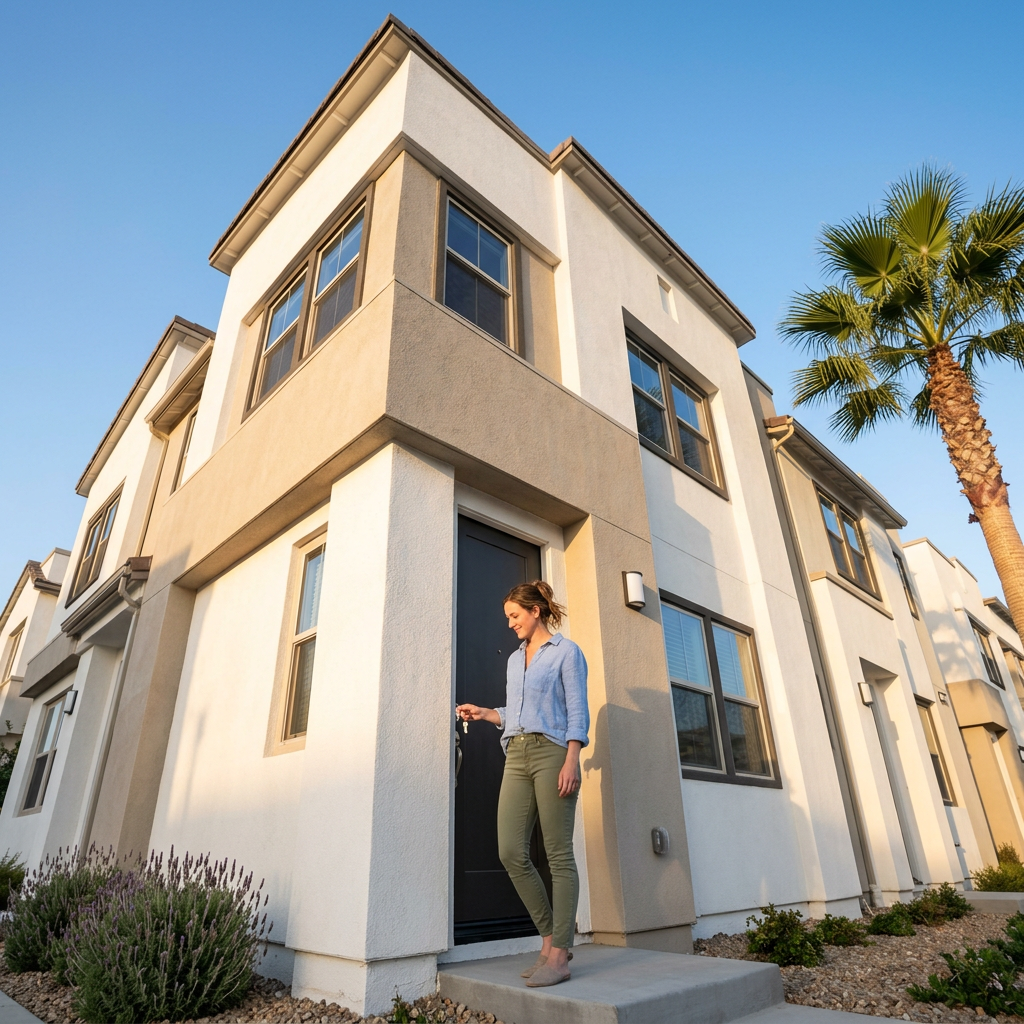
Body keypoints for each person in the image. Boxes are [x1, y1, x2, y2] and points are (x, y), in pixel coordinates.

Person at [456, 580, 589, 988]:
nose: (510, 624)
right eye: (508, 618)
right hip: (515, 753)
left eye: (515, 616)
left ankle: (561, 954)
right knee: (511, 850)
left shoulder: (567, 652)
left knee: (557, 854)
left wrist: (572, 759)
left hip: (553, 754)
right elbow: (516, 711)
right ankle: (548, 942)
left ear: (535, 611)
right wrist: (484, 713)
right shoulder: (516, 660)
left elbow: (576, 710)